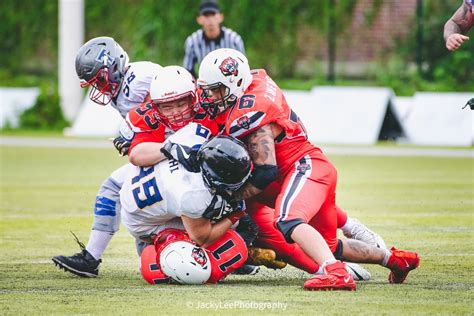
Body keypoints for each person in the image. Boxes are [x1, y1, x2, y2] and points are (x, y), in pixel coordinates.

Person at [196, 48, 420, 291]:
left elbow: (266, 171)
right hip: (305, 169)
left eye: (216, 89)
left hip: (304, 166)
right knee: (329, 246)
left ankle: (335, 273)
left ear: (236, 83)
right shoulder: (252, 86)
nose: (210, 96)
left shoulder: (249, 112)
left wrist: (233, 198)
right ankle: (396, 260)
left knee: (289, 220)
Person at [52, 36, 162, 277]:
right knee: (141, 228)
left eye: (100, 79)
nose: (100, 87)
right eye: (95, 82)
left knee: (114, 191)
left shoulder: (141, 76)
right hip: (164, 151)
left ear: (114, 66)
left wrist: (135, 132)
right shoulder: (121, 89)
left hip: (176, 151)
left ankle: (91, 258)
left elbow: (173, 105)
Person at [120, 131, 252, 284]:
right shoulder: (193, 193)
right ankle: (163, 250)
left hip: (136, 186)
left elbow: (136, 154)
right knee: (227, 226)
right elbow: (202, 237)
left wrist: (168, 149)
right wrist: (234, 215)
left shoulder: (193, 135)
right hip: (143, 222)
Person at [183, 0, 245, 77]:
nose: (210, 20)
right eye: (206, 16)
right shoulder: (192, 42)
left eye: (213, 14)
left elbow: (243, 68)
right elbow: (188, 71)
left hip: (232, 82)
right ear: (199, 19)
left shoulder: (234, 40)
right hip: (206, 84)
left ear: (220, 17)